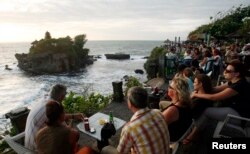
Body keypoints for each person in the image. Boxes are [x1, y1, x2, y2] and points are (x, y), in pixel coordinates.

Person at [188, 59, 250, 140]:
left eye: (228, 71)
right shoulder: (233, 81)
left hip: (241, 116)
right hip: (235, 109)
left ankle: (193, 135)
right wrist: (202, 87)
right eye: (225, 69)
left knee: (206, 111)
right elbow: (214, 89)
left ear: (237, 74)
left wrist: (196, 94)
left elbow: (215, 97)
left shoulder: (239, 86)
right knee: (207, 110)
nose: (224, 72)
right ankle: (197, 131)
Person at [102, 86, 170, 154]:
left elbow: (121, 152)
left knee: (105, 149)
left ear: (130, 104)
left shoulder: (130, 128)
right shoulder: (158, 112)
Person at [25, 84, 84, 151]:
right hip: (37, 149)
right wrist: (71, 121)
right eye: (65, 95)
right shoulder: (55, 106)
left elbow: (59, 116)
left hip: (28, 145)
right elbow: (71, 134)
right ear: (62, 96)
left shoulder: (46, 102)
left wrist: (74, 116)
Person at [162, 77, 192, 142]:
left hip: (169, 140)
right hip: (179, 133)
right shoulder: (187, 103)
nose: (168, 88)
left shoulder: (172, 110)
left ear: (176, 92)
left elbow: (157, 127)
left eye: (170, 86)